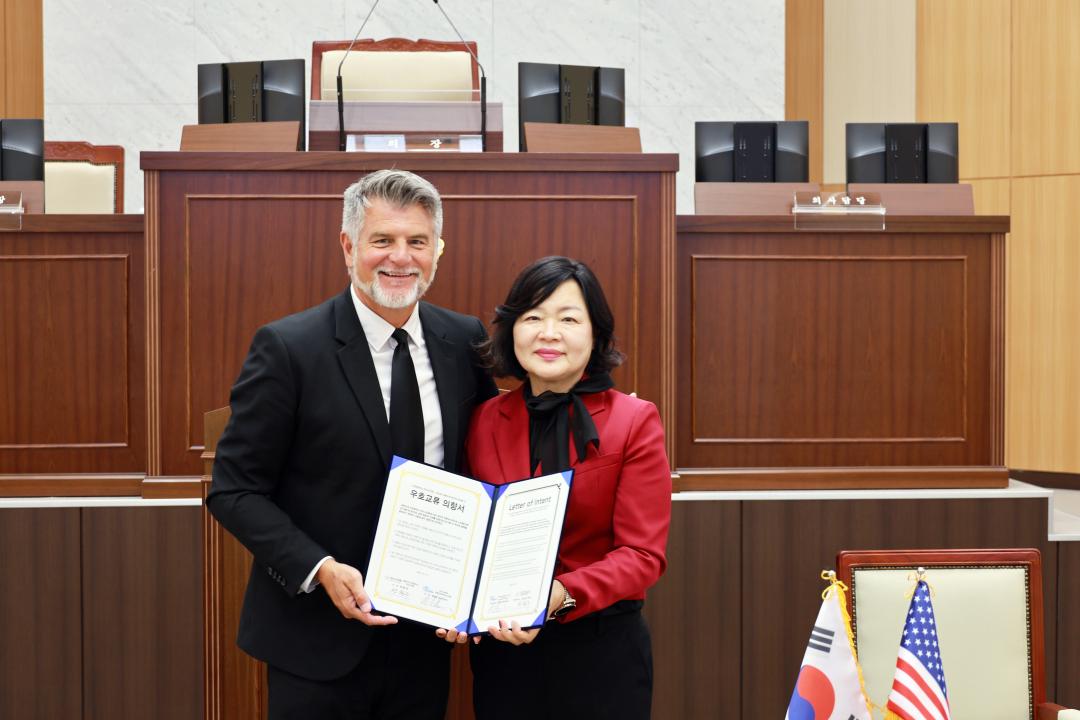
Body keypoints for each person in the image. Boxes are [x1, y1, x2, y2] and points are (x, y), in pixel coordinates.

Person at [206, 169, 497, 720]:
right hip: (317, 641)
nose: (400, 258)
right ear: (349, 246)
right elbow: (234, 490)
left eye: (416, 242)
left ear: (438, 249)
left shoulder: (464, 340)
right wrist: (318, 568)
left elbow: (480, 467)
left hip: (425, 640)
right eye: (382, 240)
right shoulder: (289, 348)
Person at [454, 256, 672, 720]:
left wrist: (559, 594)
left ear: (595, 334)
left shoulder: (634, 421)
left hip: (599, 653)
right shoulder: (484, 419)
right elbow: (470, 532)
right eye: (532, 317)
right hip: (503, 654)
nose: (548, 333)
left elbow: (643, 556)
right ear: (511, 331)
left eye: (568, 318)